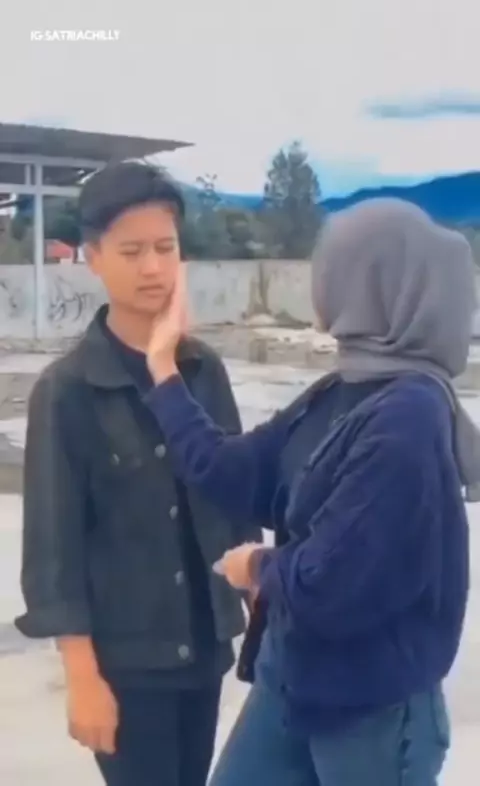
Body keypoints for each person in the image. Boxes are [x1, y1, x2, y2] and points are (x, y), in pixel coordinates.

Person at [143, 198, 479, 786]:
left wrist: (257, 566)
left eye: (333, 267)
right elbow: (232, 470)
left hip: (373, 708)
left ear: (372, 285)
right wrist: (163, 369)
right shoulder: (340, 391)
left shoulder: (409, 417)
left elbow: (334, 582)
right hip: (296, 676)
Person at [16, 161, 260, 786]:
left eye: (165, 247)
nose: (153, 267)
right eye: (131, 251)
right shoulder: (67, 391)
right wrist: (82, 677)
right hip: (127, 665)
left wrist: (265, 609)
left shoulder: (203, 372)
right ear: (93, 257)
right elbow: (53, 553)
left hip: (204, 651)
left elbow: (237, 499)